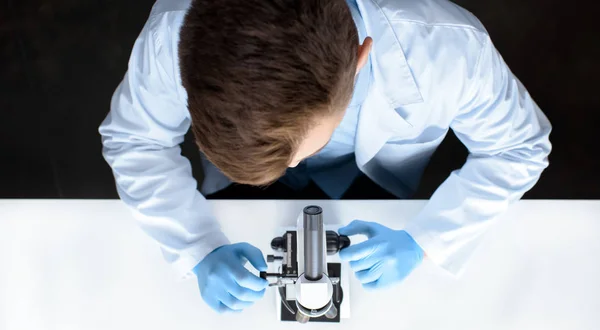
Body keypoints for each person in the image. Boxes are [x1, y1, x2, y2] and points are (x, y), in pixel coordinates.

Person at [99, 0, 551, 313]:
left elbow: (519, 146)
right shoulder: (169, 38)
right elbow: (137, 141)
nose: (290, 169)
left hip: (375, 180)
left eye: (299, 150)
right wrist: (194, 245)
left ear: (359, 58)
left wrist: (428, 241)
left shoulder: (448, 47)